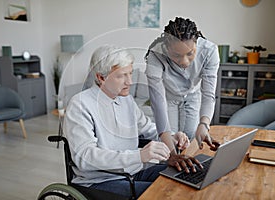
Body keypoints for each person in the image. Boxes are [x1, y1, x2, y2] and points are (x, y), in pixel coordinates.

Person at [64, 44, 201, 198]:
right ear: (101, 77)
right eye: (122, 75)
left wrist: (172, 137)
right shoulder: (80, 104)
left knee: (185, 176)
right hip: (100, 180)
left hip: (133, 171)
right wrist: (139, 156)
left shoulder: (126, 100)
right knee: (167, 193)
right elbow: (85, 157)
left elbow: (147, 128)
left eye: (130, 74)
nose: (129, 81)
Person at [145, 17, 220, 151]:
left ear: (196, 43)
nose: (185, 62)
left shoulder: (209, 51)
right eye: (176, 55)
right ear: (166, 48)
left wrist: (204, 124)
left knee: (191, 137)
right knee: (170, 141)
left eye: (190, 53)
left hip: (193, 95)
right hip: (169, 97)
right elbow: (157, 101)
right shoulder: (155, 54)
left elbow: (208, 95)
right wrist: (171, 152)